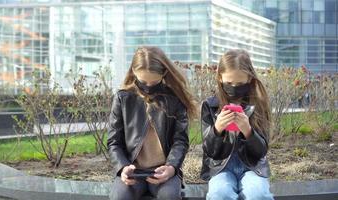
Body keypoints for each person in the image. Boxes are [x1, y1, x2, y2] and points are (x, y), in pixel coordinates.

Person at [107, 46, 197, 200]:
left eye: (154, 82)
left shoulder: (175, 100)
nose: (148, 87)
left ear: (164, 74)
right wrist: (122, 167)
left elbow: (180, 141)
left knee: (169, 196)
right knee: (120, 196)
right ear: (133, 72)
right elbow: (114, 142)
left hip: (163, 170)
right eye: (143, 81)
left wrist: (171, 167)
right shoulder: (123, 98)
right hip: (133, 170)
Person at [200, 49, 274, 200]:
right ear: (220, 78)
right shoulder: (210, 105)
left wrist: (248, 131)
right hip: (221, 167)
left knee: (257, 193)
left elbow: (261, 151)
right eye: (229, 83)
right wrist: (217, 130)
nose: (234, 87)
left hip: (252, 167)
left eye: (240, 83)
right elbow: (209, 150)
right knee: (219, 193)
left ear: (250, 79)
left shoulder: (259, 104)